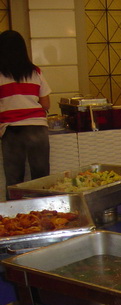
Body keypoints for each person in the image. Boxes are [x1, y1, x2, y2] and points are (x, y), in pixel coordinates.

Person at [0, 30, 51, 197]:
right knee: (41, 178)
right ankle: (44, 210)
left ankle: (15, 211)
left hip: (12, 130)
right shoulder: (35, 72)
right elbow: (46, 104)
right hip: (37, 128)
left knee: (14, 181)